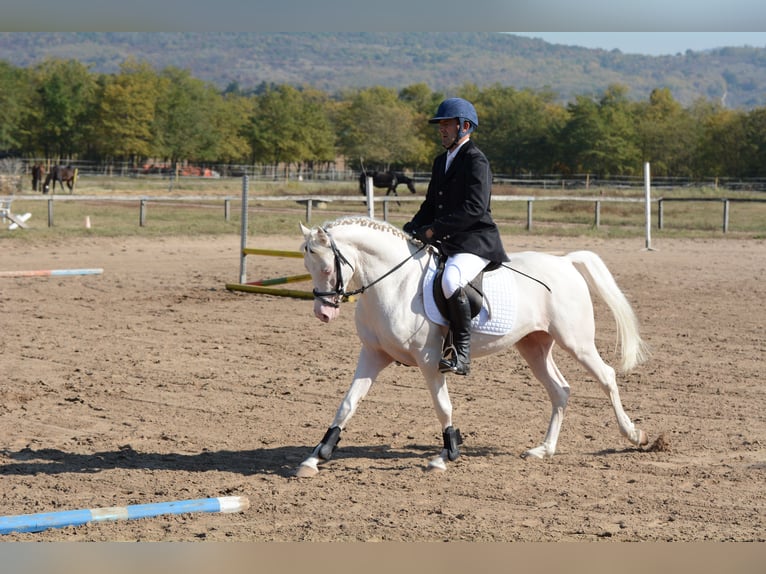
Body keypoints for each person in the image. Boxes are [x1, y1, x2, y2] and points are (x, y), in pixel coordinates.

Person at [403, 97, 509, 376]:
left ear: (464, 126)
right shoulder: (442, 161)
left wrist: (434, 230)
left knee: (451, 279)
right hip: (448, 239)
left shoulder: (476, 160)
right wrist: (413, 226)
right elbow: (429, 205)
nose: (442, 129)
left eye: (447, 124)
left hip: (475, 240)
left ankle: (461, 351)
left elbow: (474, 208)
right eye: (441, 125)